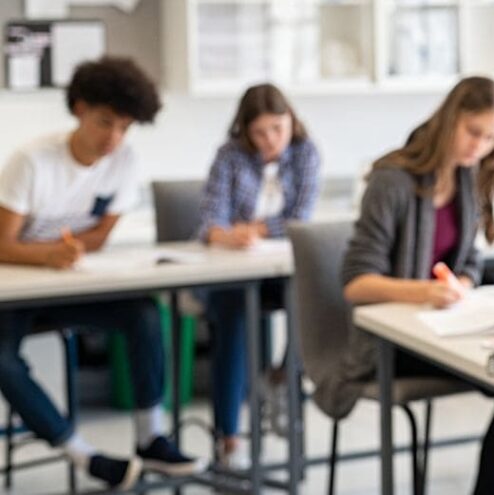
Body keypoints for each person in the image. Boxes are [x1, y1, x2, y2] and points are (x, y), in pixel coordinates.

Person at [0, 56, 203, 490]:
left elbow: (99, 235)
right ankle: (82, 455)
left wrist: (65, 253)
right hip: (18, 293)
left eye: (124, 127)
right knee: (1, 359)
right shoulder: (31, 161)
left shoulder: (124, 161)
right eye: (104, 122)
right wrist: (48, 255)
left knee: (144, 314)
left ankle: (151, 437)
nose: (113, 137)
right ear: (79, 109)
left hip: (72, 288)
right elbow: (3, 244)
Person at [327, 75, 494, 495]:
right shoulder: (391, 180)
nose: (479, 147)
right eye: (473, 132)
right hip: (392, 344)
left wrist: (462, 282)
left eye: (491, 139)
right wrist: (424, 291)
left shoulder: (464, 178)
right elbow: (355, 284)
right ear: (449, 119)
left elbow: (470, 260)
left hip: (444, 329)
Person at [198, 83, 320, 466]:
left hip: (281, 270)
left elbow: (300, 219)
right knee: (232, 317)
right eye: (260, 132)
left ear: (291, 123)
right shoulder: (229, 157)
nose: (271, 140)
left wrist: (258, 229)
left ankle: (283, 379)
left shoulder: (305, 154)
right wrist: (225, 233)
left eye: (278, 129)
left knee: (314, 297)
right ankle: (228, 438)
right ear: (245, 132)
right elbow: (210, 220)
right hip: (233, 271)